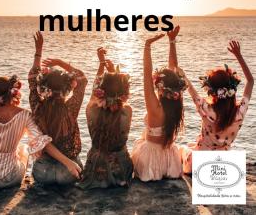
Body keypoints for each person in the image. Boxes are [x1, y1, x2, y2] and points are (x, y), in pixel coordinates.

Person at [0, 72, 69, 190]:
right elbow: (41, 141)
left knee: (18, 148)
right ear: (13, 93)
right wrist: (68, 163)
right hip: (7, 178)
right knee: (24, 149)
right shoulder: (25, 115)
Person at [180, 40, 254, 173]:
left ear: (211, 90)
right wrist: (239, 55)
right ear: (232, 88)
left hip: (200, 164)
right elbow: (250, 81)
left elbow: (190, 88)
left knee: (181, 150)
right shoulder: (239, 112)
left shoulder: (205, 108)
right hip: (223, 166)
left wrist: (182, 74)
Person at [29, 32, 87, 185]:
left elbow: (32, 76)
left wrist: (38, 51)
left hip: (43, 172)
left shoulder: (37, 106)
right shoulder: (71, 108)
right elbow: (82, 79)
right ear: (67, 88)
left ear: (42, 87)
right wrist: (60, 63)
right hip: (68, 172)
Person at [131, 26, 187, 181]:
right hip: (169, 159)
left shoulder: (155, 108)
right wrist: (172, 41)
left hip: (151, 161)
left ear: (160, 87)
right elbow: (174, 69)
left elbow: (146, 73)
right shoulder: (177, 101)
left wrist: (147, 46)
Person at [78, 47, 133, 189]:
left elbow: (94, 92)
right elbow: (118, 97)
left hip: (96, 169)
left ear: (100, 91)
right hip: (120, 170)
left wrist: (101, 64)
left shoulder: (91, 109)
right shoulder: (127, 111)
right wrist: (114, 72)